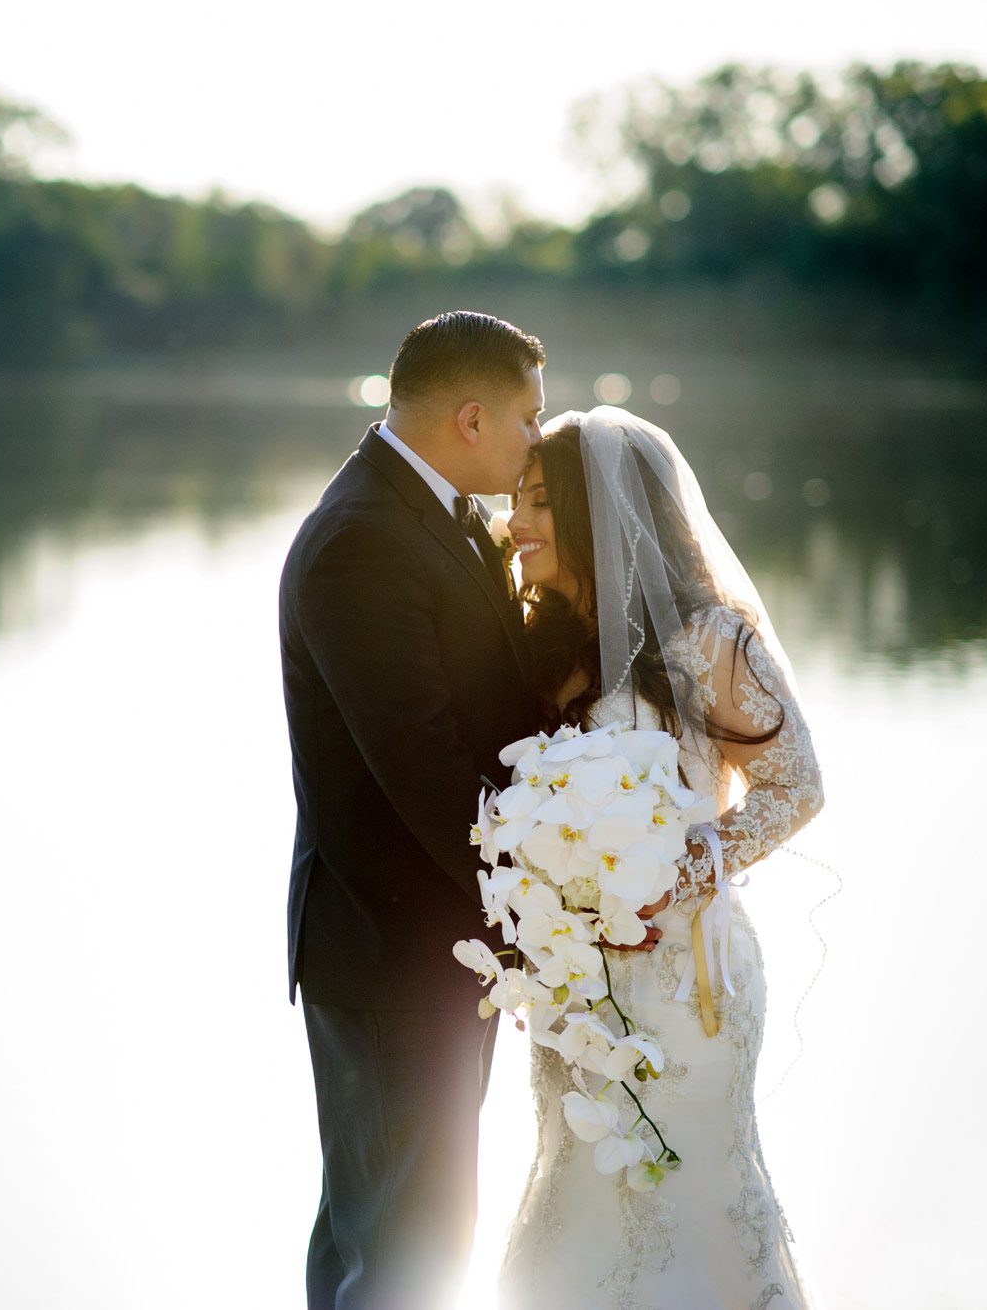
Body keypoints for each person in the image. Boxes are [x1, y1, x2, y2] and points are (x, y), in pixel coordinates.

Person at [496, 406, 825, 1308]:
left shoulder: (710, 640)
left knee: (692, 1195)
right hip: (576, 984)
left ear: (598, 511)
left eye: (536, 503)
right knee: (576, 1184)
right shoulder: (539, 643)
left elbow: (796, 787)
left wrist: (678, 881)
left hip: (690, 984)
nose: (513, 522)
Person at [278, 310, 547, 1308]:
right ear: (469, 417)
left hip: (431, 944)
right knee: (400, 1241)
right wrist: (550, 913)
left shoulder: (429, 516)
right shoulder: (361, 541)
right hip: (388, 948)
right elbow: (427, 771)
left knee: (395, 1226)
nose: (534, 439)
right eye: (526, 417)